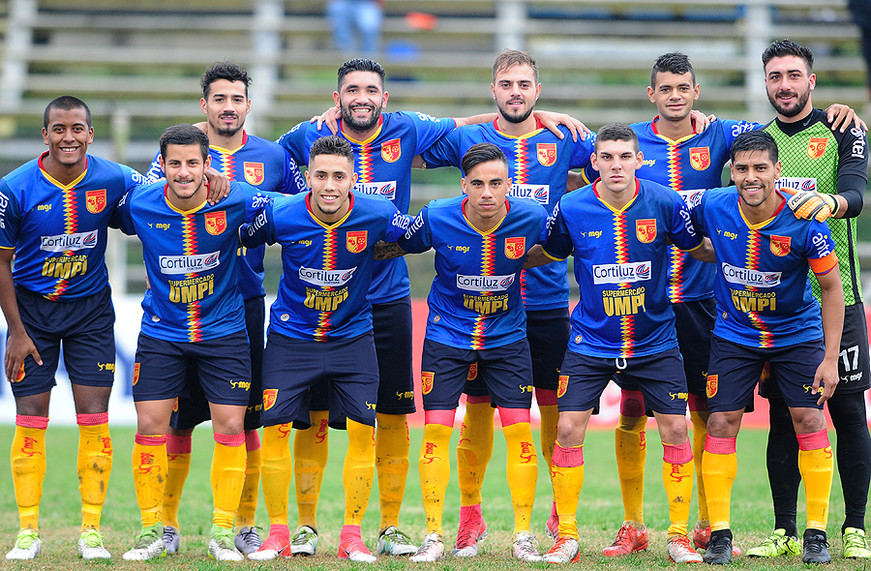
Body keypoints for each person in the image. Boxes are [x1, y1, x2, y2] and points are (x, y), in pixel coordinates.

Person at [270, 56, 584, 559]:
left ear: (385, 96)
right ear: (337, 97)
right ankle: (312, 526)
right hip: (343, 308)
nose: (361, 98)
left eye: (524, 85)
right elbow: (263, 155)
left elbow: (609, 167)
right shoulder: (311, 134)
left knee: (532, 412)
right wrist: (204, 135)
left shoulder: (552, 137)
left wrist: (546, 119)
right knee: (320, 416)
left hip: (523, 302)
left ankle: (540, 518)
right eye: (352, 90)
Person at [418, 49, 594, 554]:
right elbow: (405, 142)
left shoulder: (564, 138)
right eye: (506, 84)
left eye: (524, 84)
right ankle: (470, 517)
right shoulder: (469, 138)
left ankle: (558, 514)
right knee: (476, 413)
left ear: (537, 90)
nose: (515, 92)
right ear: (493, 89)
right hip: (478, 313)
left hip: (544, 302)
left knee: (553, 409)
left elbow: (615, 165)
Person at [527, 123, 714, 564]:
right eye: (607, 157)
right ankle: (566, 537)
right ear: (593, 162)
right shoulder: (572, 206)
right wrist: (493, 255)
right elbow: (546, 253)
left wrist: (752, 244)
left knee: (676, 429)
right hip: (590, 341)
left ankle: (678, 536)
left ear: (639, 160)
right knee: (567, 429)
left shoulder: (664, 202)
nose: (616, 165)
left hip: (654, 340)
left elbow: (701, 248)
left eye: (624, 157)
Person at [145, 61, 306, 558]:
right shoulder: (180, 153)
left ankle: (243, 525)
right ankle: (166, 525)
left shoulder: (274, 156)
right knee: (177, 422)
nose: (229, 107)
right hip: (179, 307)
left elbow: (302, 209)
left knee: (245, 420)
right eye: (219, 99)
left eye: (237, 99)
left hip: (243, 303)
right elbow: (145, 200)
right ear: (205, 105)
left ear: (248, 105)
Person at [375, 142, 549, 562]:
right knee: (436, 431)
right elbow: (396, 246)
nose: (487, 193)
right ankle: (434, 534)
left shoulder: (532, 217)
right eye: (478, 184)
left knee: (518, 433)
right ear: (463, 185)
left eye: (496, 183)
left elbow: (565, 245)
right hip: (446, 337)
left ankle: (523, 535)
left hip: (507, 339)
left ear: (509, 184)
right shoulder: (437, 215)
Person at [240, 135, 410, 563]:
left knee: (363, 431)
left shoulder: (378, 212)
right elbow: (238, 236)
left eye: (338, 176)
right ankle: (279, 533)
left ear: (353, 179)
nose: (329, 185)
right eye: (320, 175)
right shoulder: (280, 213)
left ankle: (352, 536)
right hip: (291, 339)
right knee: (275, 429)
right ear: (308, 177)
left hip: (353, 337)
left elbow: (420, 236)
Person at [113, 124, 276, 561]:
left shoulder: (237, 198)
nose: (183, 172)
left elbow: (295, 208)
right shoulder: (139, 203)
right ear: (162, 166)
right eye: (175, 164)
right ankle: (153, 530)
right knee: (151, 426)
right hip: (162, 334)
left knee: (232, 427)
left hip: (224, 333)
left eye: (192, 163)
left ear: (208, 165)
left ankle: (223, 533)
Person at [0, 96, 146, 561]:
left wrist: (212, 178)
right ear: (45, 135)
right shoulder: (13, 188)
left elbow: (166, 194)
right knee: (30, 418)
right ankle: (27, 531)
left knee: (94, 418)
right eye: (59, 129)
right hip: (32, 315)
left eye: (77, 129)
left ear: (90, 134)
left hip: (90, 314)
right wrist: (16, 331)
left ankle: (91, 531)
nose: (69, 137)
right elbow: (0, 263)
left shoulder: (115, 178)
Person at [694, 129, 845, 565]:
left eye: (760, 167)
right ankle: (720, 535)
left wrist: (830, 359)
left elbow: (831, 288)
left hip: (796, 334)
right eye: (742, 168)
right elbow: (676, 227)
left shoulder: (805, 218)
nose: (751, 177)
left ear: (777, 170)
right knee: (720, 421)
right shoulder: (713, 204)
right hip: (734, 334)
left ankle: (816, 534)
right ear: (731, 172)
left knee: (809, 418)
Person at [749, 39, 871, 561]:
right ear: (765, 83)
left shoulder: (843, 128)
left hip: (840, 298)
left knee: (848, 414)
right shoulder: (758, 143)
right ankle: (784, 530)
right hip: (781, 308)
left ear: (811, 80)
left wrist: (830, 201)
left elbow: (857, 194)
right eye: (775, 76)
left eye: (793, 75)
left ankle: (854, 527)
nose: (785, 85)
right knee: (783, 417)